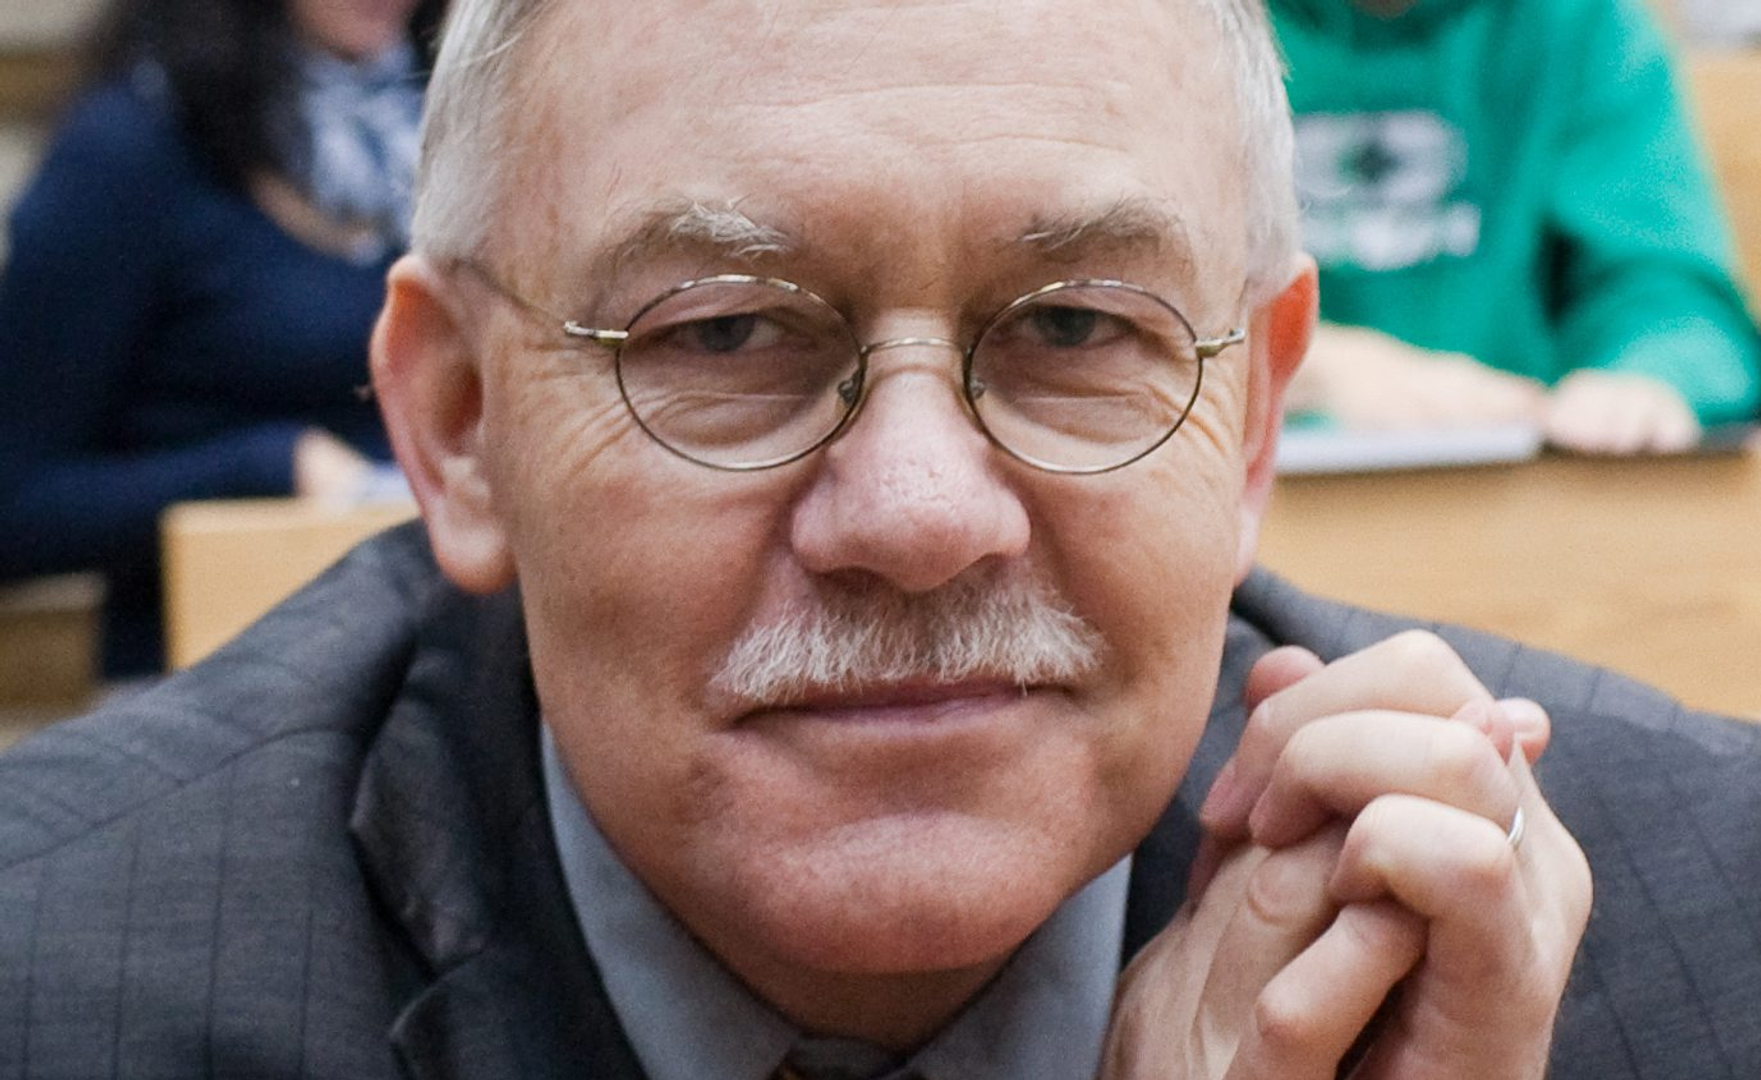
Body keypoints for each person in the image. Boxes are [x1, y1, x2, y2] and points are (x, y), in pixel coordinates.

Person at [0, 1, 1756, 1077]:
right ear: (460, 424)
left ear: (1247, 422)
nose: (919, 517)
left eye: (1074, 328)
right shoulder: (51, 982)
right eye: (721, 335)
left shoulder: (1711, 941)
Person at [0, 0, 445, 676]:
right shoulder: (131, 149)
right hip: (217, 684)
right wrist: (270, 469)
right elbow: (16, 507)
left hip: (429, 665)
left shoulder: (448, 122)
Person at [1273, 0, 1761, 454]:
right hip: (1280, 488)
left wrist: (1646, 380)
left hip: (1526, 486)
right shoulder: (1229, 26)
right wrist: (1304, 365)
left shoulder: (1583, 23)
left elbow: (1670, 294)